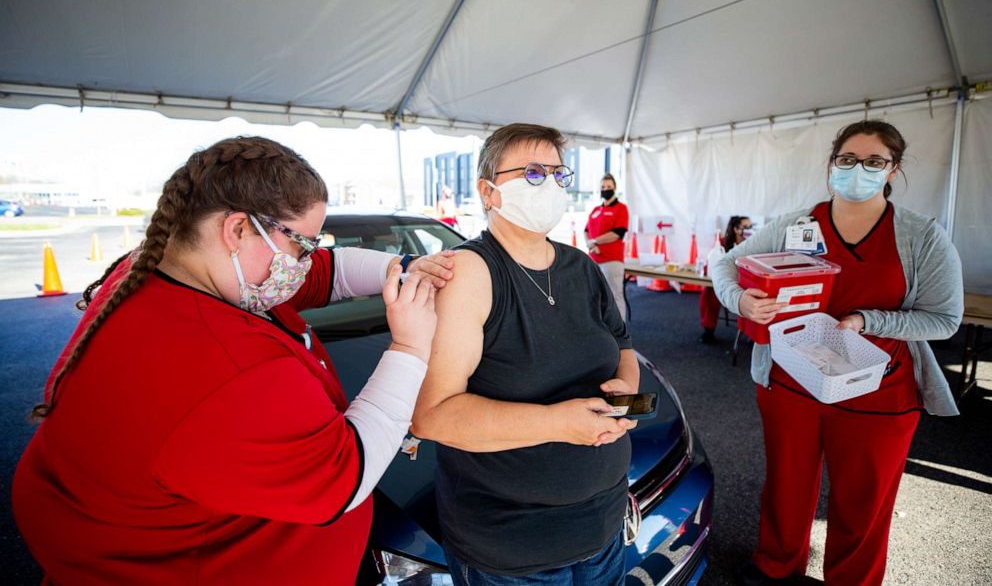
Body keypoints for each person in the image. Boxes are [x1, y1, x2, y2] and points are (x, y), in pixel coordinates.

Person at [12, 136, 456, 584]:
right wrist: (410, 347)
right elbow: (345, 476)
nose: (304, 261)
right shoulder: (220, 365)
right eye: (301, 244)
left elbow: (328, 271)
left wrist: (403, 268)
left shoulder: (177, 274)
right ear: (238, 229)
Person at [710, 120, 963, 586]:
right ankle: (777, 562)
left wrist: (869, 320)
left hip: (879, 391)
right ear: (832, 164)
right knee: (787, 485)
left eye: (873, 162)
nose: (857, 170)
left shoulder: (921, 237)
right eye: (846, 160)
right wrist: (741, 299)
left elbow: (944, 318)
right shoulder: (797, 223)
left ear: (894, 169)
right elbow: (725, 263)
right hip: (792, 383)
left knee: (864, 501)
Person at [412, 123, 638, 584]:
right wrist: (558, 422)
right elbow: (432, 416)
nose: (551, 186)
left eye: (559, 175)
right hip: (514, 552)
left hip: (605, 527)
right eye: (534, 174)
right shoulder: (472, 274)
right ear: (489, 191)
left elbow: (624, 346)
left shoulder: (581, 267)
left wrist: (625, 393)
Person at [699, 216, 752, 344]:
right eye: (745, 227)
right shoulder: (723, 242)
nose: (749, 230)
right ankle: (708, 330)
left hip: (745, 280)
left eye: (750, 227)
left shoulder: (752, 243)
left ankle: (752, 334)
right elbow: (712, 263)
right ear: (735, 229)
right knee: (709, 291)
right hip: (726, 279)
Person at [585, 173, 630, 320]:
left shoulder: (621, 208)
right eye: (603, 187)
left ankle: (620, 334)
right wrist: (590, 244)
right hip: (593, 260)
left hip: (611, 260)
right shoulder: (596, 210)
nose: (606, 189)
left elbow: (618, 233)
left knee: (615, 295)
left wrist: (595, 241)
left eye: (609, 187)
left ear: (615, 188)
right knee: (596, 297)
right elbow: (586, 231)